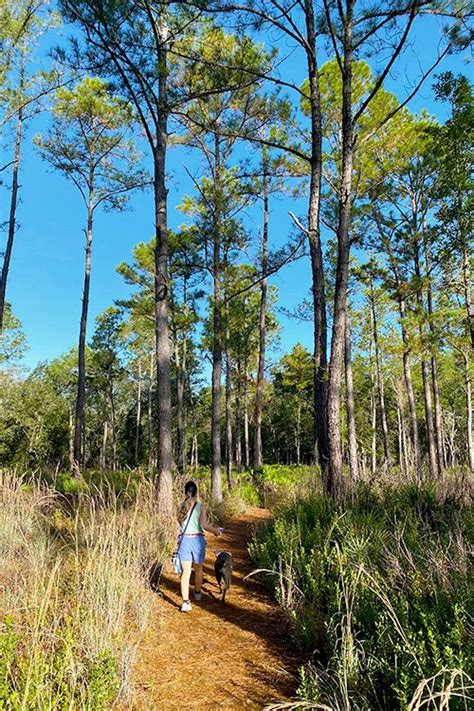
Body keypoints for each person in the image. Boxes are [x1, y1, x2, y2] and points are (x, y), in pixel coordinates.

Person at [177, 480, 223, 612]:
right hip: (197, 540)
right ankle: (197, 594)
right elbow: (204, 525)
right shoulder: (201, 506)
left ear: (185, 492)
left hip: (184, 541)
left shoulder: (180, 507)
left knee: (185, 572)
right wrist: (216, 531)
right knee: (198, 569)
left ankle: (185, 602)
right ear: (196, 492)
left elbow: (180, 524)